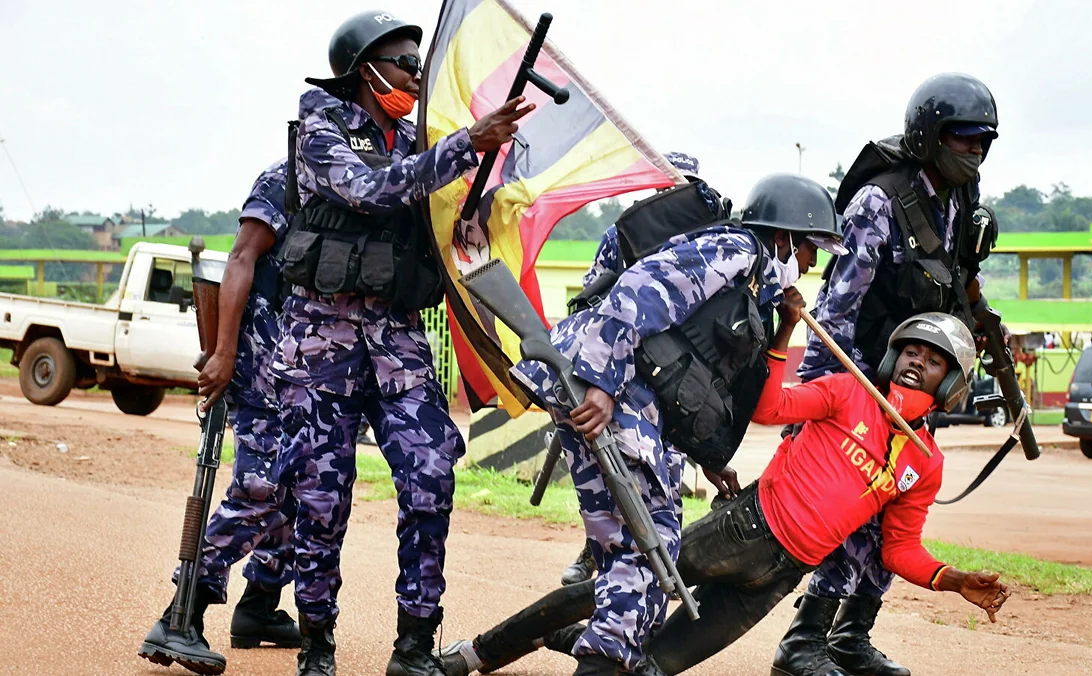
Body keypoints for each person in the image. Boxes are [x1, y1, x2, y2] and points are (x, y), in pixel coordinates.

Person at [438, 304, 1010, 676]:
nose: (917, 361)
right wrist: (785, 332)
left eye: (934, 361)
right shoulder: (847, 391)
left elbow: (897, 551)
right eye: (912, 349)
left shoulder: (924, 463)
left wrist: (952, 580)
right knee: (612, 589)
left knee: (651, 667)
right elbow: (770, 407)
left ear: (953, 383)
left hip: (779, 577)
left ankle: (565, 639)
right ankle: (475, 654)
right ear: (893, 354)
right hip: (744, 528)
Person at [444, 174, 847, 675]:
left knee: (638, 552)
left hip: (628, 398)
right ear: (784, 235)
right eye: (810, 249)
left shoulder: (754, 284)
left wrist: (708, 459)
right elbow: (640, 289)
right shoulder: (737, 248)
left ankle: (537, 655)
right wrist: (603, 383)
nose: (811, 264)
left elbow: (693, 372)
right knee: (646, 552)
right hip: (609, 388)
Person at [270, 10, 533, 676]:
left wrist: (484, 188)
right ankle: (317, 646)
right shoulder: (321, 127)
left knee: (431, 476)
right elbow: (367, 191)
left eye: (420, 66)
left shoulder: (421, 138)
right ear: (365, 70)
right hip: (319, 347)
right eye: (405, 66)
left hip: (397, 345)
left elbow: (451, 217)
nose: (416, 78)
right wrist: (463, 144)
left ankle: (414, 644)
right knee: (322, 502)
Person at [787, 72, 1001, 676]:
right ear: (930, 136)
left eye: (984, 139)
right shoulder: (879, 202)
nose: (975, 149)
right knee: (855, 512)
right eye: (963, 137)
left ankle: (851, 637)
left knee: (896, 509)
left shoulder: (961, 202)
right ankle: (802, 643)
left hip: (918, 393)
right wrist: (815, 405)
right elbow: (837, 311)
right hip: (864, 387)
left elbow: (956, 280)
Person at [137, 160, 300, 676]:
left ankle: (259, 607)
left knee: (301, 486)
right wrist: (224, 353)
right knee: (262, 486)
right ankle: (181, 613)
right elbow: (239, 260)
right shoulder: (287, 178)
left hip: (310, 365)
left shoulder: (351, 177)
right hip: (263, 362)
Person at [558, 151, 742, 588]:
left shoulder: (708, 246)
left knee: (666, 478)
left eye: (681, 188)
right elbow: (594, 300)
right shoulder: (622, 236)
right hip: (624, 372)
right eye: (664, 188)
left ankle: (657, 569)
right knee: (614, 476)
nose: (671, 196)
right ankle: (600, 557)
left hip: (679, 382)